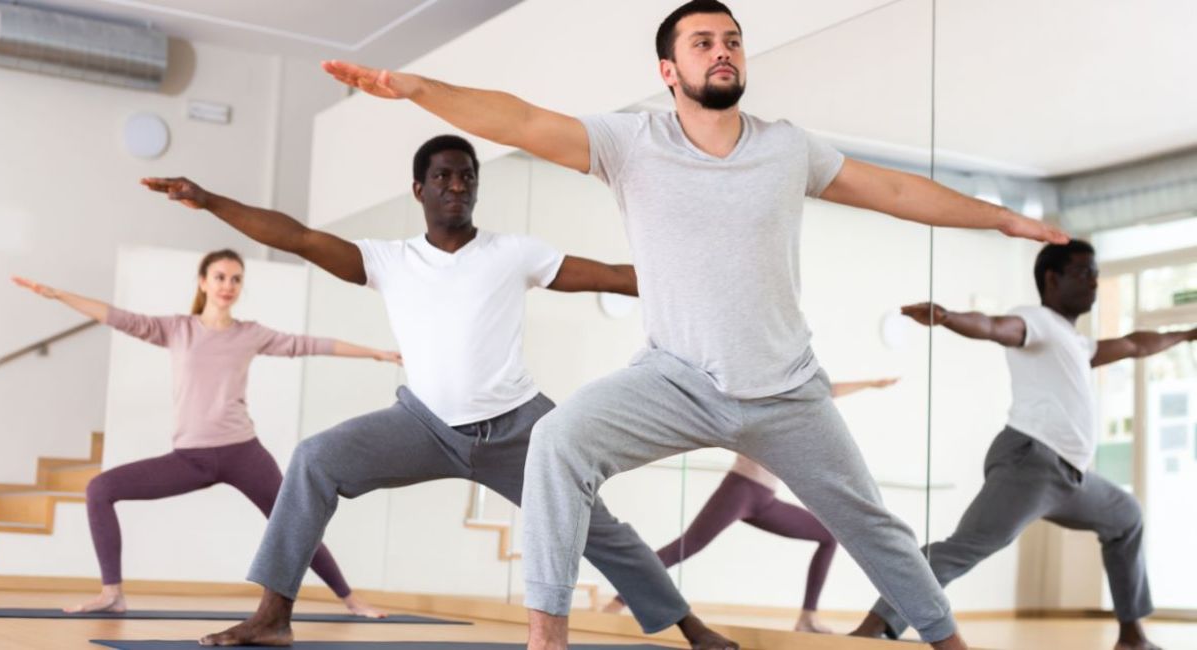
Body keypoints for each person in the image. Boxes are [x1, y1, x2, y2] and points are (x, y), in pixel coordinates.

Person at [318, 1, 1069, 647]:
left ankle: (947, 639)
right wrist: (420, 90)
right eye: (703, 42)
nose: (722, 51)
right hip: (672, 379)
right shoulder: (630, 144)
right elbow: (519, 118)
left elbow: (896, 191)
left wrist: (1002, 219)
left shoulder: (788, 148)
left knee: (873, 525)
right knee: (557, 441)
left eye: (732, 40)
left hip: (785, 388)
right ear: (669, 70)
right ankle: (547, 635)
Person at [142, 135, 736, 650]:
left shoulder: (514, 253)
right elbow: (296, 237)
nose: (457, 186)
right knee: (314, 459)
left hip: (519, 430)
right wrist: (210, 200)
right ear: (419, 189)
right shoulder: (389, 260)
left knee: (596, 528)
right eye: (443, 176)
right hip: (422, 425)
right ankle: (272, 617)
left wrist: (702, 281)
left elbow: (612, 276)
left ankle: (690, 628)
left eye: (467, 177)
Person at [11, 250, 399, 616]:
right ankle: (112, 594)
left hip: (243, 454)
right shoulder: (177, 329)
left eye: (235, 279)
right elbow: (120, 318)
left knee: (294, 521)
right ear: (203, 282)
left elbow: (308, 344)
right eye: (220, 277)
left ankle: (350, 599)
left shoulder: (250, 333)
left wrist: (377, 353)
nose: (227, 285)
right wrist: (59, 295)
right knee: (100, 489)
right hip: (190, 457)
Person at [853, 240, 1178, 650]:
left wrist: (1187, 333)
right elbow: (994, 327)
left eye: (1096, 274)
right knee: (964, 548)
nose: (1094, 282)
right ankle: (877, 625)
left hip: (1071, 477)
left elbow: (1135, 345)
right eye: (1084, 273)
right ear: (1052, 279)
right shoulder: (1036, 320)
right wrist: (948, 318)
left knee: (1126, 515)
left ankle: (1132, 637)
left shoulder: (1077, 343)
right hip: (1032, 463)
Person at [604, 379, 899, 634]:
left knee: (827, 535)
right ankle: (618, 602)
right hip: (740, 490)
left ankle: (808, 617)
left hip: (765, 500)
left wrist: (870, 383)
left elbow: (827, 391)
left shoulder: (796, 406)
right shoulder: (758, 401)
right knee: (687, 546)